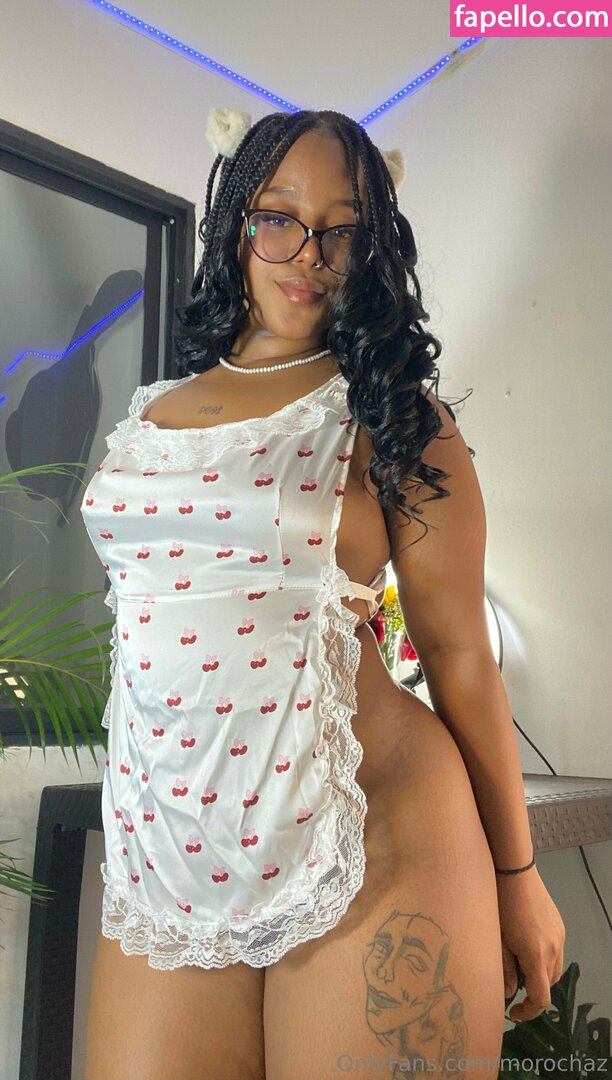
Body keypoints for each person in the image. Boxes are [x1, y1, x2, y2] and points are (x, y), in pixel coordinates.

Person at [82, 108, 565, 1080]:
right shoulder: (150, 415)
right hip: (169, 857)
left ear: (369, 249)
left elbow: (460, 653)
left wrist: (518, 877)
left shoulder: (391, 416)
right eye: (279, 217)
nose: (308, 252)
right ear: (237, 223)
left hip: (377, 828)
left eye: (340, 229)